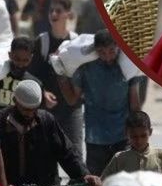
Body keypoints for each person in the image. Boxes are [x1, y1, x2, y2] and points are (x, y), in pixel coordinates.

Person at [60, 29, 143, 176]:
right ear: (96, 51)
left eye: (111, 51)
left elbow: (135, 103)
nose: (107, 57)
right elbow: (72, 99)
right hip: (95, 139)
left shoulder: (128, 67)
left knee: (124, 184)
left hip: (123, 137)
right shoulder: (85, 67)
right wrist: (61, 76)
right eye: (102, 52)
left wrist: (138, 132)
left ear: (118, 47)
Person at [28, 0, 83, 153]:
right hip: (46, 109)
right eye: (51, 10)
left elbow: (82, 73)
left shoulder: (76, 41)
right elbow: (31, 74)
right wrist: (42, 92)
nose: (53, 14)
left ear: (68, 14)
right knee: (45, 154)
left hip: (72, 108)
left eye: (58, 11)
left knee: (75, 153)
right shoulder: (42, 41)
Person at [0, 35, 46, 114]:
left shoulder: (34, 83)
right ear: (10, 55)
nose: (20, 64)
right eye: (17, 59)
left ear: (31, 58)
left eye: (25, 60)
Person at [102, 111, 162, 177]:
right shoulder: (119, 159)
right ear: (126, 134)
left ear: (150, 132)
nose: (139, 141)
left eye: (143, 136)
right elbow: (104, 184)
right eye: (134, 136)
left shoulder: (161, 156)